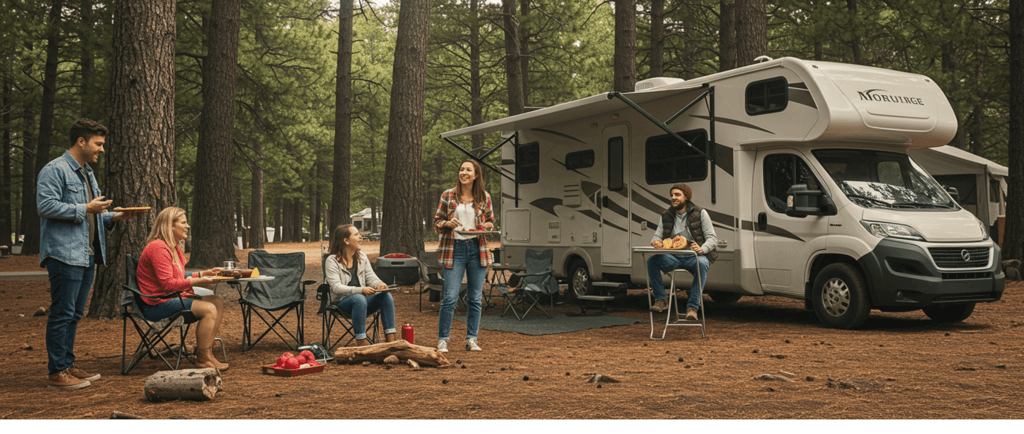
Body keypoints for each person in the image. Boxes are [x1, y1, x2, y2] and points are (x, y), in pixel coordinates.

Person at [37, 118, 145, 390]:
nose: (102, 149)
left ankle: (67, 364)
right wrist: (85, 208)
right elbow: (45, 206)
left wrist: (115, 216)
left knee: (74, 313)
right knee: (62, 312)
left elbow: (92, 214)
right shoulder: (55, 169)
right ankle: (57, 372)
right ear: (81, 141)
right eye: (98, 143)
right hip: (64, 254)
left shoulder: (87, 173)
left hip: (87, 255)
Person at [136, 207, 229, 371]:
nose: (188, 226)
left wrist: (203, 273)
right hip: (156, 305)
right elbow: (168, 284)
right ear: (170, 226)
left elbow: (178, 275)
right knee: (209, 309)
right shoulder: (158, 248)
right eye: (183, 223)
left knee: (217, 302)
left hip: (171, 298)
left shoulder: (173, 248)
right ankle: (203, 359)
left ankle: (205, 353)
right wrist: (199, 281)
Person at [432, 159, 495, 352]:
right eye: (461, 169)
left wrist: (486, 226)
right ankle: (443, 340)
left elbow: (491, 221)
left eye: (468, 170)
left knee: (475, 298)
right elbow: (437, 222)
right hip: (454, 249)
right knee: (450, 297)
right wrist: (447, 224)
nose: (464, 173)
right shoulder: (448, 195)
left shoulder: (484, 197)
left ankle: (472, 339)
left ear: (476, 175)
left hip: (477, 249)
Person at [648, 184, 718, 320]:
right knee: (652, 262)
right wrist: (657, 242)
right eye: (672, 195)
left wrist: (702, 249)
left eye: (677, 195)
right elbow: (656, 236)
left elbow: (712, 238)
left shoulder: (700, 213)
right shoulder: (666, 215)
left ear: (686, 197)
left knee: (703, 263)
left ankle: (692, 307)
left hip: (694, 256)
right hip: (673, 257)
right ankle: (661, 299)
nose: (673, 198)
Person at [324, 224, 397, 346]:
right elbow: (336, 287)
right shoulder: (332, 261)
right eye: (356, 234)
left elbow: (371, 277)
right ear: (346, 240)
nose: (361, 237)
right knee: (359, 298)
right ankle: (361, 342)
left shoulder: (362, 257)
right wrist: (361, 290)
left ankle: (391, 342)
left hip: (363, 302)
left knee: (386, 296)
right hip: (341, 303)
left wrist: (379, 284)